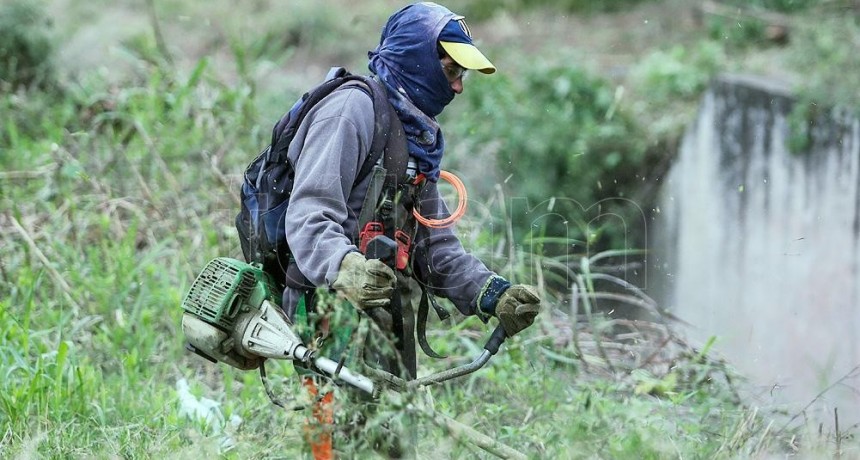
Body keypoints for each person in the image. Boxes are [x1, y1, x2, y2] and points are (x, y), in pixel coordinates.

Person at [278, 2, 542, 457]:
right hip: (327, 316)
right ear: (416, 59)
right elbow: (308, 215)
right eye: (450, 70)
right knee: (333, 447)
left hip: (384, 318)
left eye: (463, 74)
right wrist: (345, 266)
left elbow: (435, 247)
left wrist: (491, 292)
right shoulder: (351, 111)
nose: (458, 87)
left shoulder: (414, 139)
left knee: (391, 446)